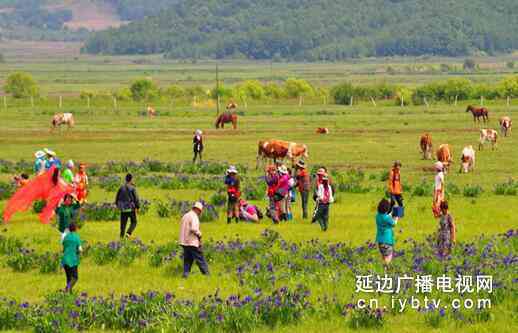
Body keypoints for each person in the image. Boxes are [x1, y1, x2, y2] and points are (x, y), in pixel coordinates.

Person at [179, 202, 209, 278]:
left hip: (184, 242)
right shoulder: (194, 216)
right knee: (200, 259)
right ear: (197, 209)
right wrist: (200, 234)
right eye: (200, 211)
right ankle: (207, 275)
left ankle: (185, 275)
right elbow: (194, 229)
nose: (200, 213)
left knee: (187, 260)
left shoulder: (185, 215)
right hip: (192, 242)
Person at [115, 173, 140, 239]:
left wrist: (118, 206)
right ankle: (128, 233)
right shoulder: (132, 188)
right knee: (134, 222)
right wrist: (137, 207)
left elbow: (117, 199)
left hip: (123, 209)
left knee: (123, 225)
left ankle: (121, 238)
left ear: (125, 179)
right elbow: (136, 198)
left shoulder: (121, 188)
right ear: (131, 179)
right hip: (131, 208)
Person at [376, 198, 399, 266]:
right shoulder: (386, 218)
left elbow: (387, 216)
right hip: (387, 241)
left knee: (384, 257)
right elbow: (394, 223)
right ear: (387, 209)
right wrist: (396, 217)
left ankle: (383, 271)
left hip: (380, 241)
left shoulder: (378, 216)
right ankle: (386, 271)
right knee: (388, 258)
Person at [61, 223, 82, 293]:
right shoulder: (76, 237)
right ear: (75, 229)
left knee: (68, 278)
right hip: (72, 260)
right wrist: (78, 253)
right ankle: (67, 288)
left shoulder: (66, 237)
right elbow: (80, 249)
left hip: (64, 260)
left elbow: (63, 249)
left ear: (69, 229)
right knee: (75, 277)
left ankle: (69, 293)